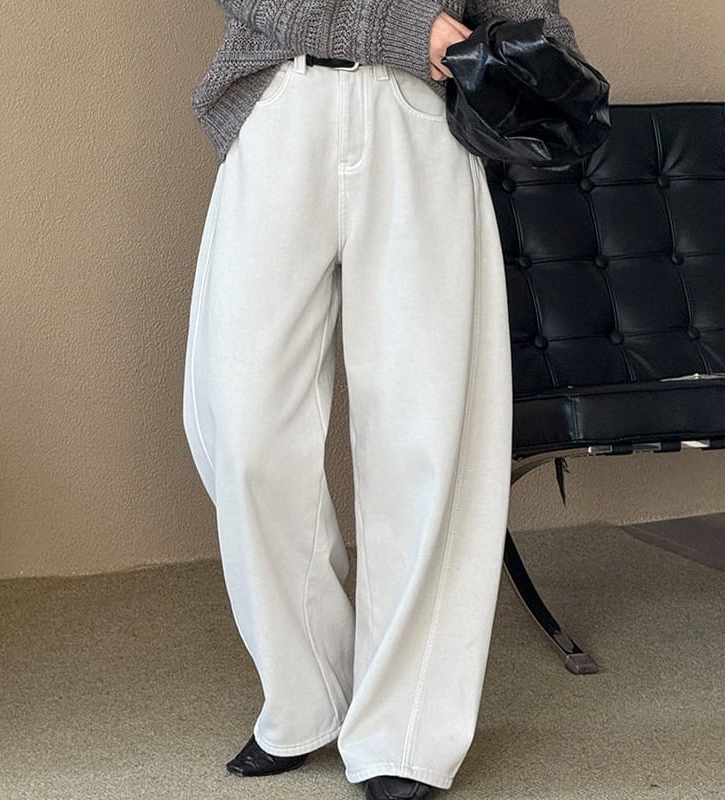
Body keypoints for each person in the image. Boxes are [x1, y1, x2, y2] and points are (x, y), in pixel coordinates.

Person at [183, 3, 581, 798]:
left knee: (424, 434)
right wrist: (406, 30)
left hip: (421, 118)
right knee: (244, 426)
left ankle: (405, 732)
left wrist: (533, 46)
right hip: (282, 102)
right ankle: (307, 695)